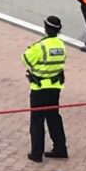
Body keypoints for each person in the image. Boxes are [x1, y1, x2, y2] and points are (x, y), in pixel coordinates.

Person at [23, 16, 68, 162]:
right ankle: (61, 148)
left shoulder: (39, 46)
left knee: (37, 120)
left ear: (46, 28)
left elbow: (26, 59)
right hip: (55, 87)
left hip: (39, 88)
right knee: (54, 117)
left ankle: (37, 153)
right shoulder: (61, 45)